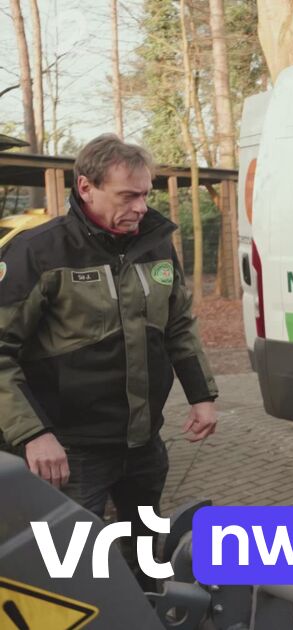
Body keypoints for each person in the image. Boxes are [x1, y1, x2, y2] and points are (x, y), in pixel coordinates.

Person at [0, 134, 219, 587]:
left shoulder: (156, 245)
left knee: (145, 564)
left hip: (142, 446)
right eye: (128, 195)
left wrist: (202, 396)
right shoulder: (37, 252)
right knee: (74, 577)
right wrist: (33, 434)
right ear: (86, 188)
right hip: (71, 452)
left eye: (146, 194)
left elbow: (178, 324)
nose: (141, 207)